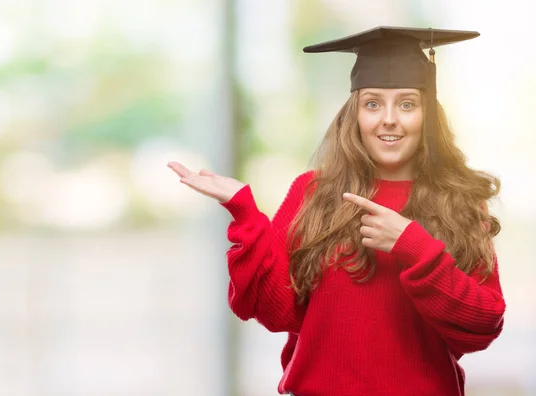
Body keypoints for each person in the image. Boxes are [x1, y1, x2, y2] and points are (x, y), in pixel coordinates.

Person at [168, 26, 505, 396]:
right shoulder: (314, 193)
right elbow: (277, 311)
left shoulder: (458, 202)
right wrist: (246, 215)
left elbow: (482, 326)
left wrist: (413, 246)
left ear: (428, 116)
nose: (389, 119)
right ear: (354, 115)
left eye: (407, 104)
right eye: (373, 103)